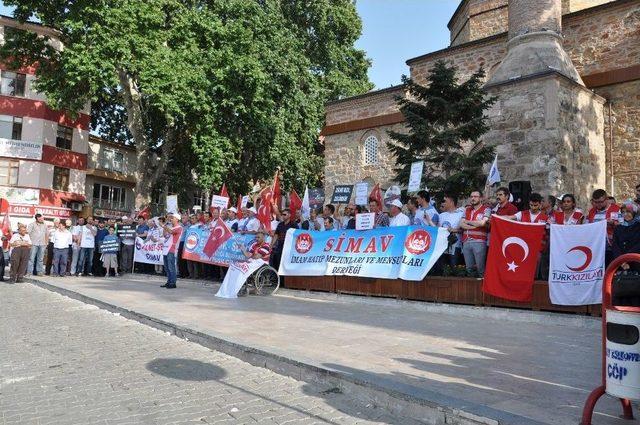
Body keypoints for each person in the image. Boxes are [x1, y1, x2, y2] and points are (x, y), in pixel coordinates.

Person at [460, 190, 491, 277]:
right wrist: (475, 225)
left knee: (481, 269)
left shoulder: (486, 209)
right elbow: (461, 224)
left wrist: (467, 222)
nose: (473, 198)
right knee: (469, 269)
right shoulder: (467, 209)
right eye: (471, 196)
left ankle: (482, 290)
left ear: (480, 198)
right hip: (466, 241)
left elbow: (482, 223)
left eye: (475, 196)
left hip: (479, 241)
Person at [587, 188, 620, 266]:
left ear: (607, 199)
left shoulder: (616, 209)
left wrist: (613, 223)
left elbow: (623, 227)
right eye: (596, 202)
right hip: (596, 247)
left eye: (601, 202)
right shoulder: (592, 211)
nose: (598, 204)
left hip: (611, 247)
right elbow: (588, 227)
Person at [612, 201, 640, 272]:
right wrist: (622, 261)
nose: (625, 214)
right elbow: (615, 245)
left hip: (636, 261)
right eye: (623, 212)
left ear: (634, 212)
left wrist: (626, 258)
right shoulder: (618, 228)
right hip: (620, 263)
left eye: (628, 212)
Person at [438, 193, 464, 267]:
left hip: (455, 246)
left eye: (445, 201)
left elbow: (463, 230)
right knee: (442, 267)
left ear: (451, 202)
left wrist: (454, 230)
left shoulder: (461, 214)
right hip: (442, 246)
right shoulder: (441, 215)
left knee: (454, 267)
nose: (443, 203)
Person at [160, 212, 183, 288]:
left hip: (172, 249)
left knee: (171, 266)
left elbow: (171, 232)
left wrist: (163, 226)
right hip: (166, 248)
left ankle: (173, 283)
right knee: (166, 267)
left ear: (177, 219)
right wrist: (165, 226)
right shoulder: (171, 227)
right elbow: (165, 235)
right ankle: (169, 281)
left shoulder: (179, 227)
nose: (171, 219)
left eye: (172, 218)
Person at [186, 214, 201, 279]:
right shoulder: (190, 226)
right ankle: (190, 274)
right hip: (189, 245)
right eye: (191, 218)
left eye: (194, 218)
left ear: (196, 219)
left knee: (195, 261)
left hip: (196, 245)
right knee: (189, 260)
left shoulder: (199, 225)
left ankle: (196, 275)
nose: (192, 220)